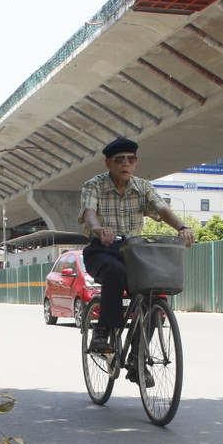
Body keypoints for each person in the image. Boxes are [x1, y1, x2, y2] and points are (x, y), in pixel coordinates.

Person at [78, 137, 194, 353]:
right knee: (116, 272)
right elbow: (89, 212)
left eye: (131, 159)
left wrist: (182, 227)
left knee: (156, 291)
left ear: (135, 162)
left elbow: (162, 209)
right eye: (119, 159)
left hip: (133, 252)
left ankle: (138, 357)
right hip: (101, 250)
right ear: (108, 163)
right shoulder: (94, 186)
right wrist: (98, 229)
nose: (125, 164)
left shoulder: (143, 187)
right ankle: (101, 333)